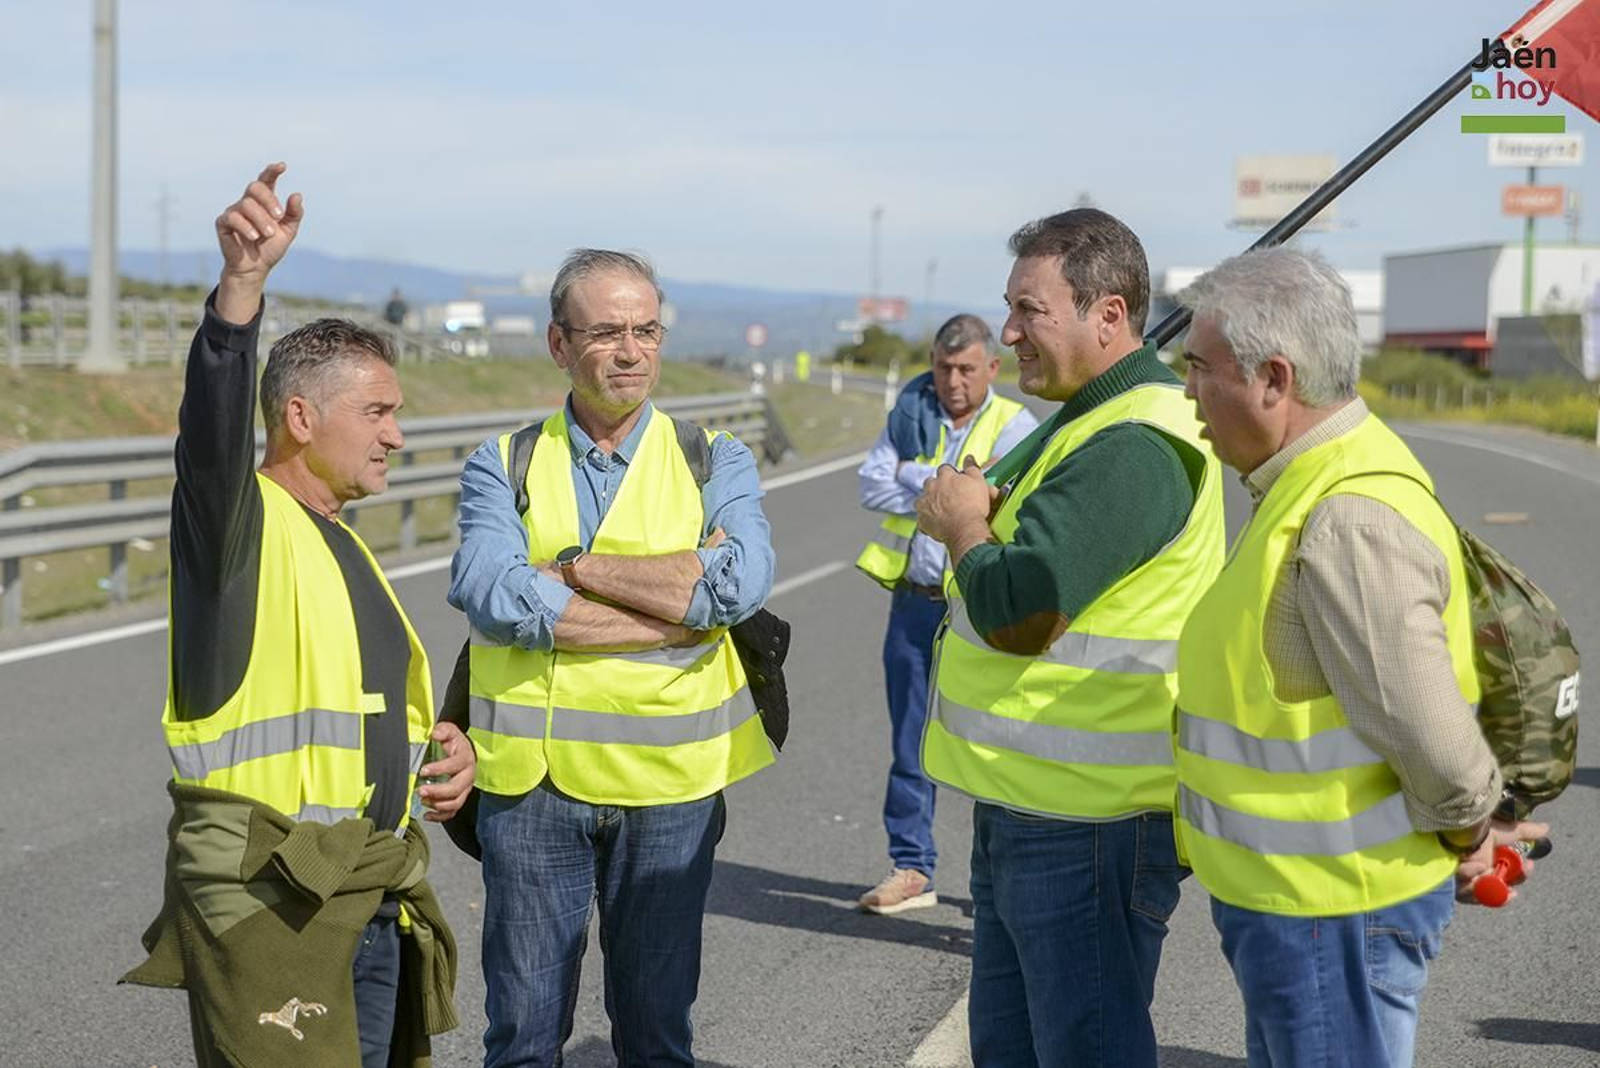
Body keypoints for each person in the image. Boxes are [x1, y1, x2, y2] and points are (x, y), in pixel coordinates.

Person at [121, 164, 474, 1068]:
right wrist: (240, 292)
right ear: (301, 417)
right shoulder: (236, 526)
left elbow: (355, 709)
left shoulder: (347, 543)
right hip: (272, 896)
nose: (398, 434)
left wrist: (442, 752)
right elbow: (209, 433)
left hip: (365, 893)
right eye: (379, 412)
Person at [1173, 246, 1549, 1068]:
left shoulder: (1347, 515)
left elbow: (1430, 735)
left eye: (1200, 367)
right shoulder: (1310, 484)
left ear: (1274, 378)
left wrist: (1469, 825)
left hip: (1330, 912)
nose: (1188, 391)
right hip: (1304, 907)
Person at [447, 248, 777, 1068]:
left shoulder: (715, 458)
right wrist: (673, 614)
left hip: (669, 791)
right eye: (606, 333)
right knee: (521, 1038)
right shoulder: (503, 463)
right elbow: (492, 591)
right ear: (560, 345)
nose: (631, 351)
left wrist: (576, 572)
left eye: (646, 330)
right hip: (532, 790)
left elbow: (737, 587)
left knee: (657, 1037)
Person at [915, 208, 1225, 1068]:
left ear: (1110, 316)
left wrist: (962, 527)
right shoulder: (1093, 419)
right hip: (1034, 804)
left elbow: (1019, 609)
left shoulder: (1135, 444)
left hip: (1089, 823)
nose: (1008, 332)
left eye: (1029, 312)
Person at [853, 314, 1037, 914]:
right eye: (941, 367)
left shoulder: (1017, 426)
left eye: (965, 369)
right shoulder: (911, 414)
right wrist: (944, 489)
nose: (952, 381)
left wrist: (916, 481)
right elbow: (869, 484)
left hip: (976, 608)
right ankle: (911, 867)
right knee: (909, 742)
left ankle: (1000, 883)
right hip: (912, 603)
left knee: (993, 743)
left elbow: (1001, 503)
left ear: (992, 368)